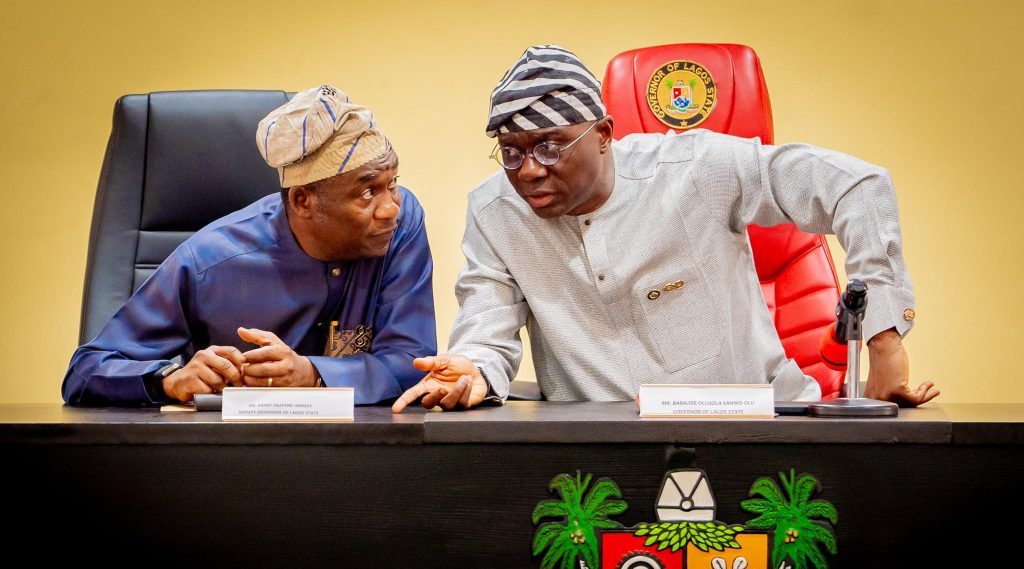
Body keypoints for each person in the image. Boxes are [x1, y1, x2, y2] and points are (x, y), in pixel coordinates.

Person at [392, 45, 937, 413]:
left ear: (604, 133)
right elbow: (486, 325)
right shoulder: (494, 211)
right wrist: (473, 369)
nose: (529, 169)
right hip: (598, 455)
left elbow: (858, 186)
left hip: (761, 430)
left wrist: (884, 336)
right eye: (510, 153)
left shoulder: (695, 168)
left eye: (551, 146)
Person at [63, 85, 435, 406]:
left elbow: (413, 361)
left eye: (393, 183)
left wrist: (312, 374)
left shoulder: (401, 224)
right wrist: (168, 380)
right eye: (367, 192)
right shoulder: (210, 259)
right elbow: (87, 370)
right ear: (303, 201)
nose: (389, 208)